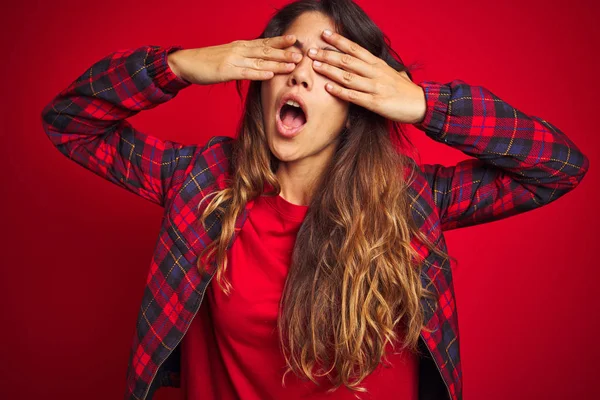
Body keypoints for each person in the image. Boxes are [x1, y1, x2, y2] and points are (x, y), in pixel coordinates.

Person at [40, 0, 589, 399]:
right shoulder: (202, 184)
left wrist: (426, 104)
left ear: (359, 101)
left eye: (329, 69)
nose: (301, 73)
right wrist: (180, 65)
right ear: (258, 75)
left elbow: (557, 166)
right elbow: (69, 123)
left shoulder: (407, 201)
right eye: (289, 58)